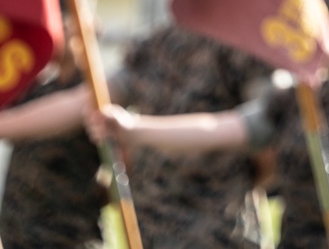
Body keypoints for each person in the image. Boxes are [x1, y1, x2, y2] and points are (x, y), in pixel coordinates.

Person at [90, 0, 329, 248]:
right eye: (319, 15)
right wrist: (134, 128)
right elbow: (223, 128)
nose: (324, 26)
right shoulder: (299, 93)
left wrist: (324, 54)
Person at [0, 21, 270, 247]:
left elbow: (263, 134)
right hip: (151, 232)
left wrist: (135, 129)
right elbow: (87, 100)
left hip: (218, 234)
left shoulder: (241, 44)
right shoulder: (157, 47)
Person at [0, 40, 104, 249]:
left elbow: (124, 165)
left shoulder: (96, 95)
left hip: (65, 233)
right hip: (18, 228)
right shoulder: (39, 91)